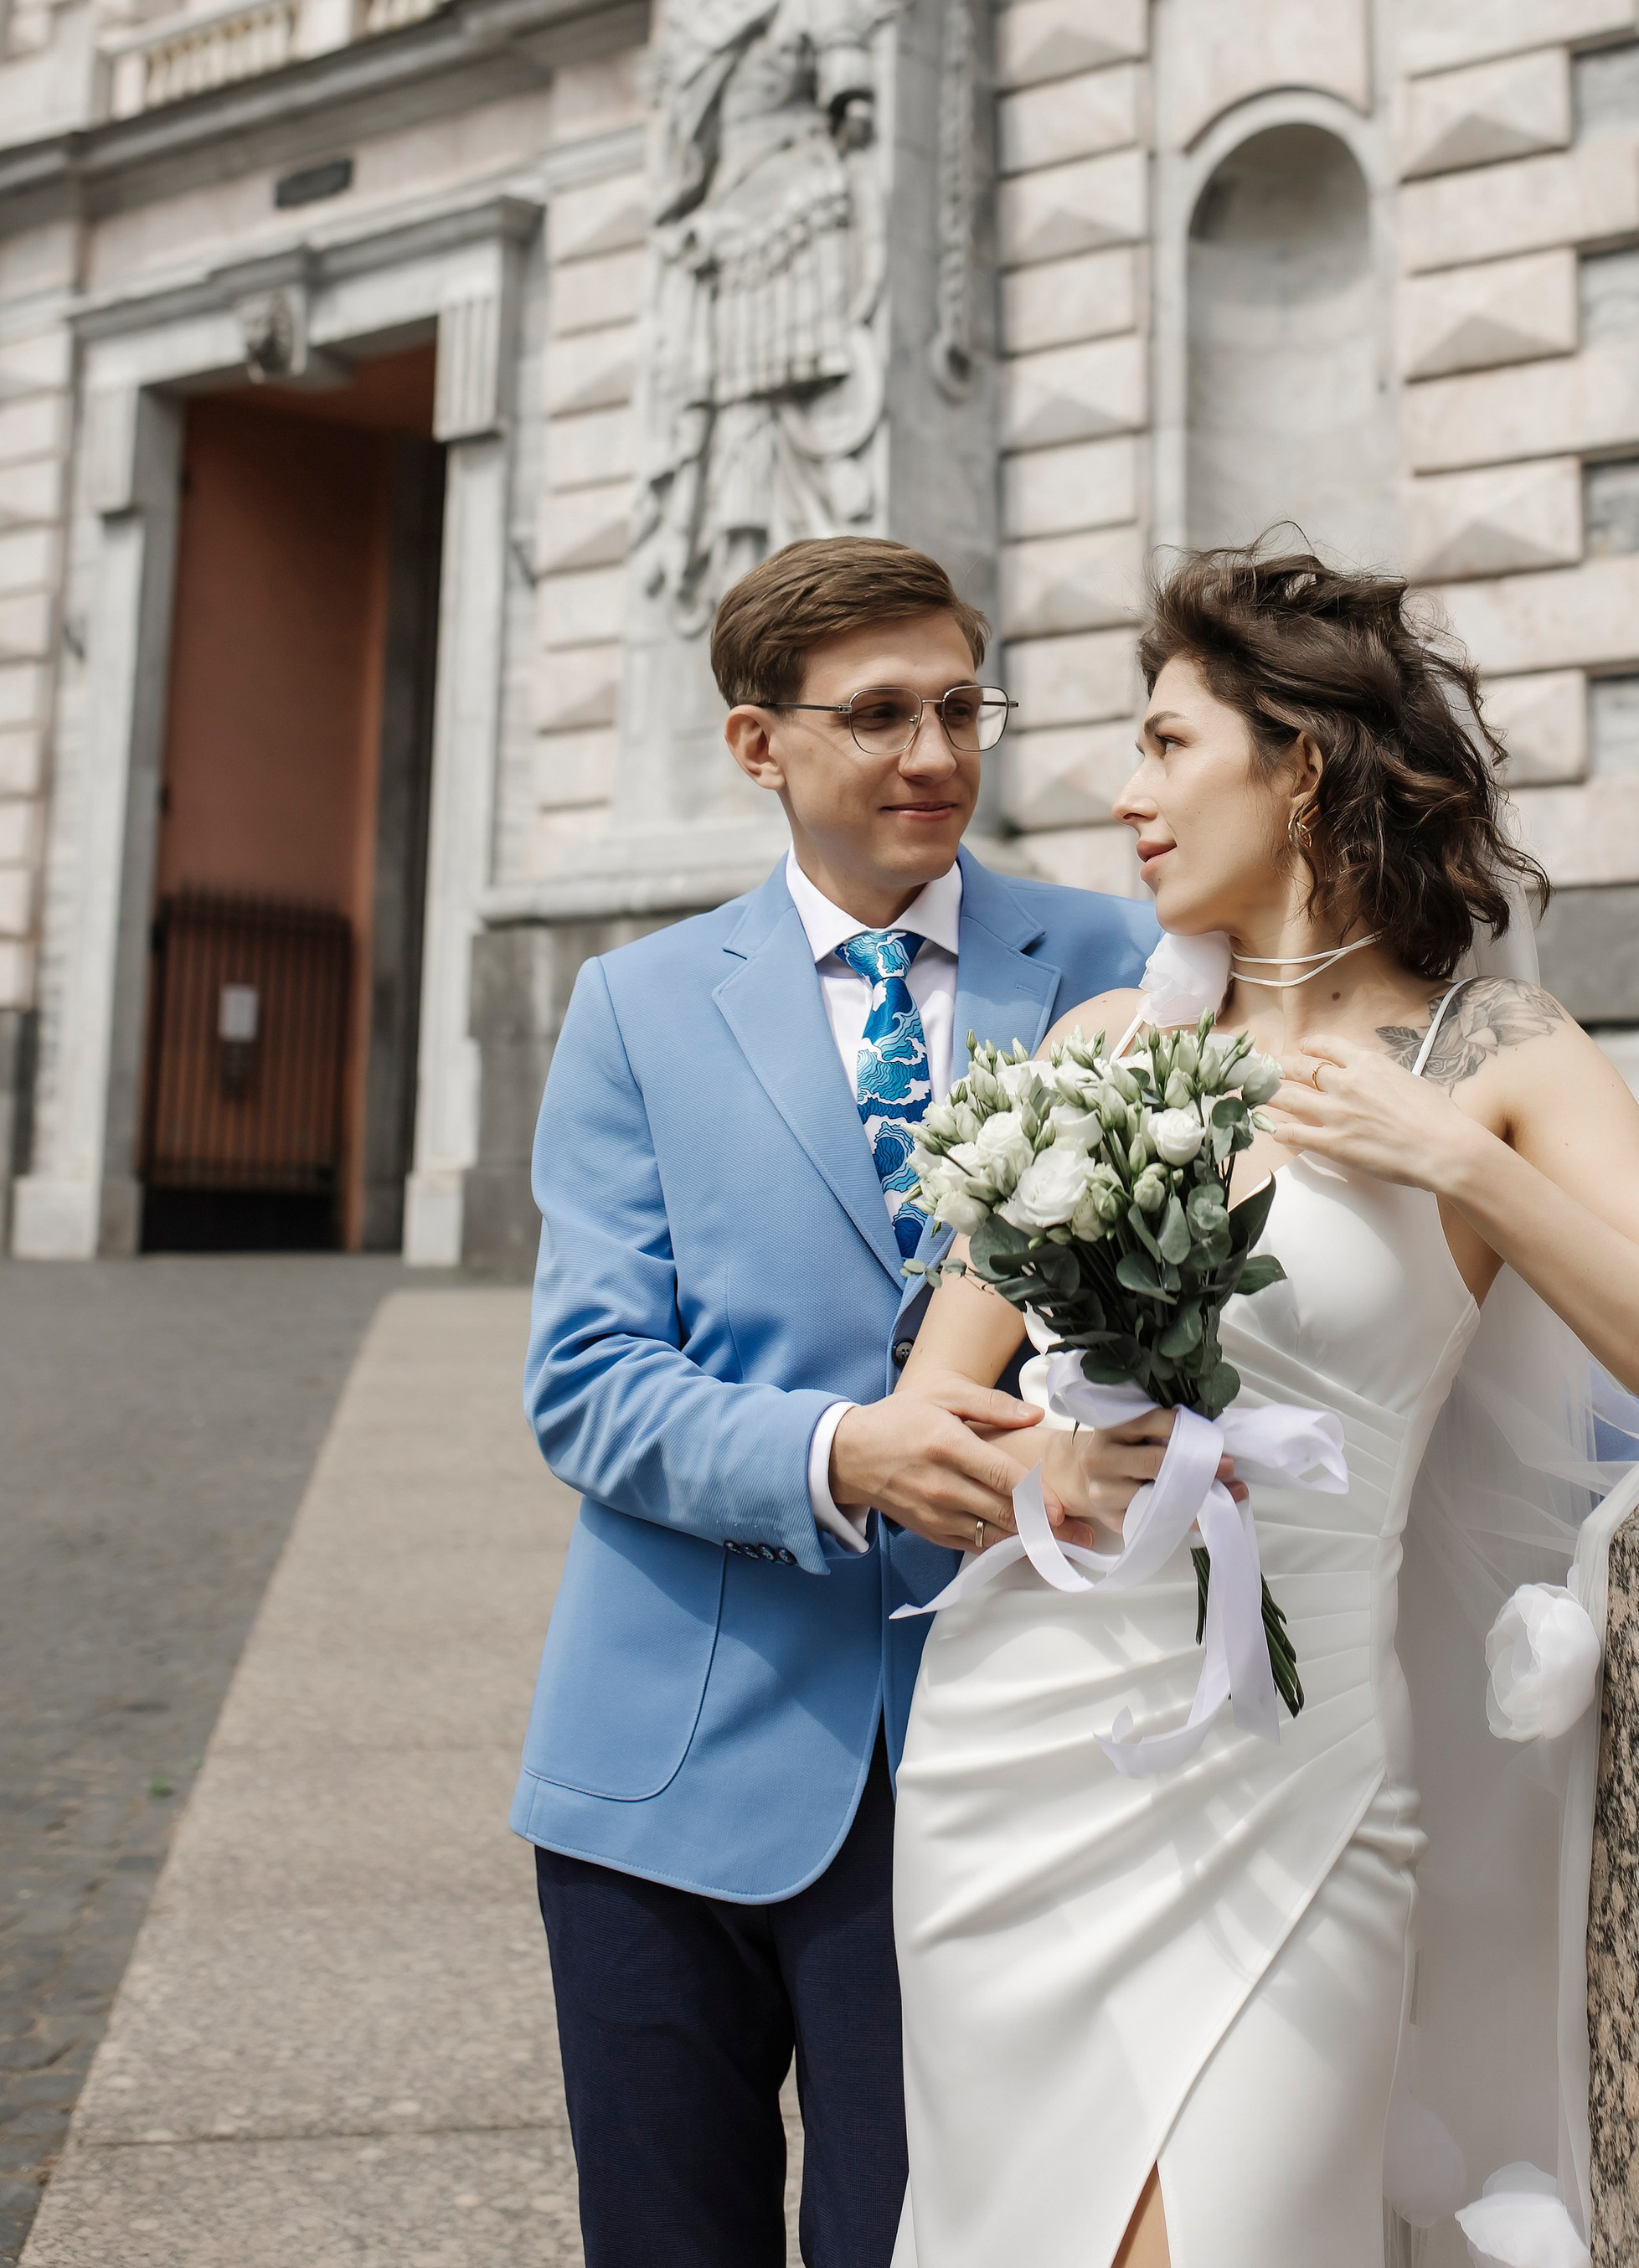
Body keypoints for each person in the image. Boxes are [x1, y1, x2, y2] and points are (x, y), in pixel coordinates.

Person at [888, 545, 1639, 2268]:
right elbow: (939, 1406)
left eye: (1163, 745)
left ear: (1297, 763)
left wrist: (1461, 1166)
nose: (1120, 792)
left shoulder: (1497, 1058)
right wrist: (1055, 1459)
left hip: (1295, 1771)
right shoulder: (1096, 1051)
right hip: (1021, 1751)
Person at [511, 533, 1157, 2268]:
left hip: (1005, 1753)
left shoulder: (1130, 959)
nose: (935, 755)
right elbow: (583, 1382)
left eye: (960, 706)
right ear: (756, 746)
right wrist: (833, 1452)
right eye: (877, 716)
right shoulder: (637, 1008)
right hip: (665, 1762)